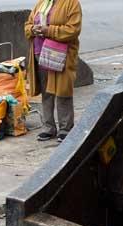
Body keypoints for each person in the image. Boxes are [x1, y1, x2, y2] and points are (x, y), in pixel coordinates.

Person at [25, 0, 82, 142]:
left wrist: (48, 30)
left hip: (60, 55)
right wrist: (33, 29)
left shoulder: (72, 3)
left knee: (63, 91)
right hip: (40, 54)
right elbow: (28, 25)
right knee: (46, 92)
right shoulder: (42, 3)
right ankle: (48, 128)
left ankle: (65, 129)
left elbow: (73, 30)